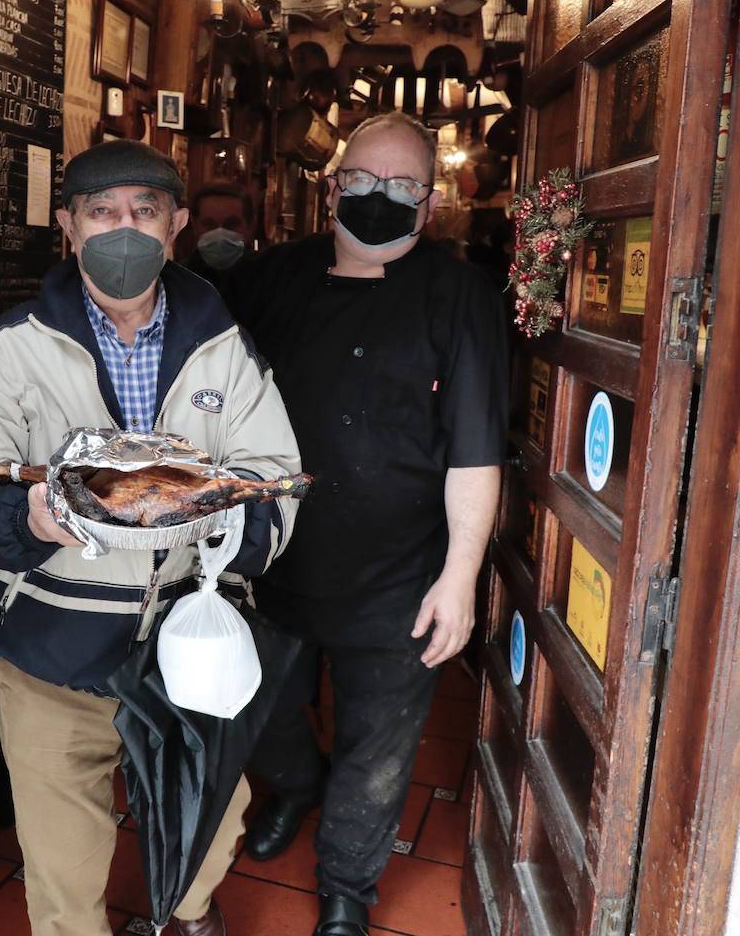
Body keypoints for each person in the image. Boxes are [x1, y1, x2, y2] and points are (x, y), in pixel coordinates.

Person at [0, 139, 304, 936]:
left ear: (174, 226)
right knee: (63, 874)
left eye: (144, 212)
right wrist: (28, 520)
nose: (123, 230)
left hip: (189, 651)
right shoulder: (10, 350)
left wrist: (224, 514)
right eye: (102, 212)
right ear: (68, 226)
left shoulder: (225, 349)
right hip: (51, 655)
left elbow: (275, 478)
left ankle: (191, 913)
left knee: (210, 822)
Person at [232, 113, 509, 936]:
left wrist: (460, 577)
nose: (378, 198)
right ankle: (296, 783)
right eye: (361, 180)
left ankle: (348, 881)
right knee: (257, 712)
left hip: (399, 571)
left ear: (428, 205)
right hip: (268, 558)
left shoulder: (460, 295)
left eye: (401, 187)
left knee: (380, 747)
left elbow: (475, 451)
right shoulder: (266, 279)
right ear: (330, 186)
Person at [183, 181, 257, 295]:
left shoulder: (268, 280)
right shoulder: (175, 283)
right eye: (209, 224)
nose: (220, 233)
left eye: (231, 224)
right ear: (195, 227)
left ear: (250, 226)